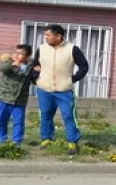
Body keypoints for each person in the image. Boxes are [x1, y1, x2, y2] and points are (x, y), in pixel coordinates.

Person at [32, 24, 89, 155]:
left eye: (48, 35)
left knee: (68, 115)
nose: (46, 37)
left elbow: (84, 66)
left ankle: (72, 142)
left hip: (65, 91)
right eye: (45, 35)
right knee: (45, 114)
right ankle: (46, 139)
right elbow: (35, 65)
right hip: (44, 89)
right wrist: (35, 79)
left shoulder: (72, 49)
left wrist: (73, 79)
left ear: (58, 36)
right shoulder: (42, 49)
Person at [0, 44, 33, 145]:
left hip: (19, 100)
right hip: (4, 97)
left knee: (18, 122)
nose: (16, 55)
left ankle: (17, 141)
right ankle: (0, 139)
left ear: (27, 57)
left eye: (20, 54)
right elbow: (3, 68)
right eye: (16, 52)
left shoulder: (29, 66)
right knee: (1, 120)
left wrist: (19, 65)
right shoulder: (9, 62)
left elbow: (25, 73)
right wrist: (12, 64)